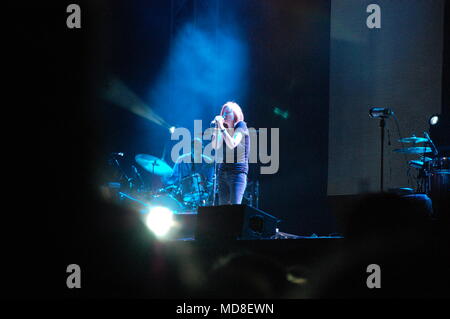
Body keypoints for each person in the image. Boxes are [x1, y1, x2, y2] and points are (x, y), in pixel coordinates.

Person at [212, 101, 250, 205]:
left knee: (234, 210)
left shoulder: (241, 125)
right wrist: (217, 127)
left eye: (227, 113)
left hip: (237, 173)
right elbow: (215, 145)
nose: (224, 115)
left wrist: (222, 128)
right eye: (223, 113)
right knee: (222, 209)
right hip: (223, 172)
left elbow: (233, 143)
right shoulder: (223, 130)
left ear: (235, 114)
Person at [164, 137, 214, 206]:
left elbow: (211, 181)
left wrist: (208, 188)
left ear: (202, 149)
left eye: (199, 148)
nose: (197, 150)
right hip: (185, 194)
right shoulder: (181, 160)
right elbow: (173, 178)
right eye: (195, 148)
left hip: (204, 195)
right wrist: (164, 174)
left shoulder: (208, 161)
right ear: (191, 148)